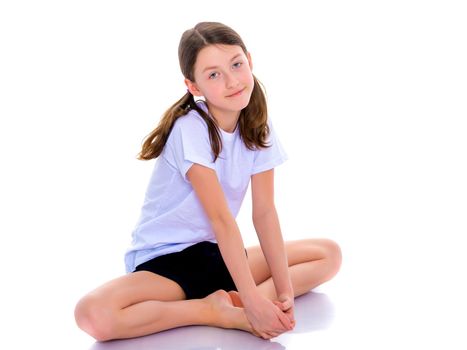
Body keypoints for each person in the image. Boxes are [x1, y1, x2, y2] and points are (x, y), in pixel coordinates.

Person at [74, 21, 342, 342]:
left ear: (250, 61)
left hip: (219, 255)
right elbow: (221, 220)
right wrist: (253, 299)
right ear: (194, 86)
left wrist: (283, 293)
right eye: (214, 74)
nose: (232, 81)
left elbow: (265, 213)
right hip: (167, 262)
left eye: (236, 65)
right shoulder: (191, 128)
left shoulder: (259, 125)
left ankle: (245, 302)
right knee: (92, 313)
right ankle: (212, 310)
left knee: (328, 254)